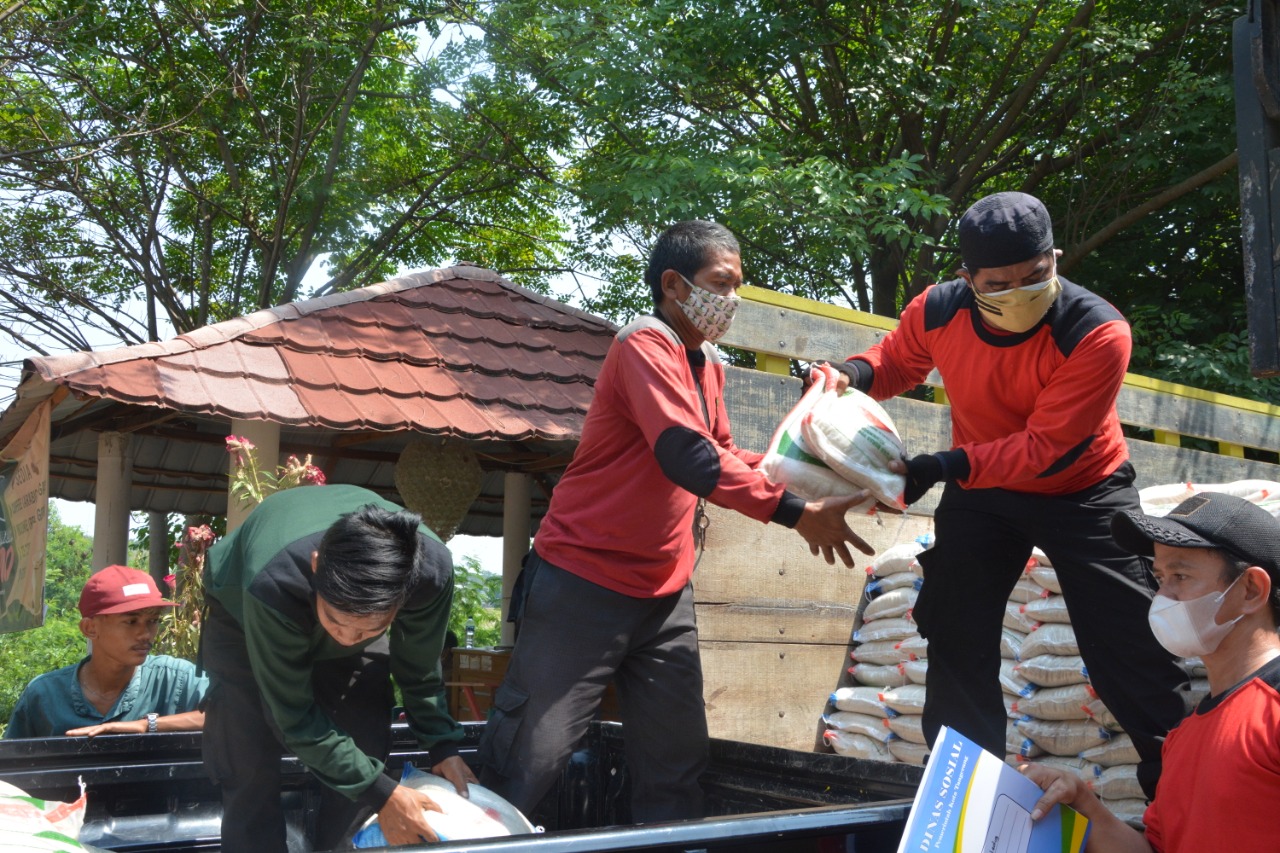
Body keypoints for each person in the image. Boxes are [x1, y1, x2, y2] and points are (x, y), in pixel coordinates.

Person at [477, 220, 876, 822]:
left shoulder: (707, 363)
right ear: (674, 284)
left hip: (664, 593)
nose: (733, 300)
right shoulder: (644, 344)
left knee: (677, 765)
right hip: (583, 581)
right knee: (530, 757)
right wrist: (796, 513)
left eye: (740, 285)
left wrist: (816, 470)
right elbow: (685, 457)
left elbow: (721, 451)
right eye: (722, 283)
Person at [828, 192, 1189, 796]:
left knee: (1131, 650)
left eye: (1035, 276)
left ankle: (1186, 803)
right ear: (967, 278)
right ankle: (967, 802)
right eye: (999, 284)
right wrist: (854, 374)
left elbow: (1046, 446)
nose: (1019, 292)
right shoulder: (938, 310)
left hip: (1083, 489)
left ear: (1055, 258)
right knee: (955, 634)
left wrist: (940, 465)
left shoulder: (1097, 331)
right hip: (982, 493)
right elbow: (898, 361)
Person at [200, 484, 475, 852]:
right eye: (336, 621)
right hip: (243, 615)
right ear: (316, 565)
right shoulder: (272, 582)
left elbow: (419, 668)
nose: (346, 638)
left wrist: (443, 747)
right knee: (247, 756)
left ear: (403, 598)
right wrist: (380, 792)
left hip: (342, 596)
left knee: (365, 735)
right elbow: (293, 718)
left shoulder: (430, 574)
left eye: (366, 629)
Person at [1021, 491, 1280, 851]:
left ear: (1251, 590)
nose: (1163, 596)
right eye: (1160, 577)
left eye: (1180, 575)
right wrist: (1084, 804)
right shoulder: (1184, 737)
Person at [4, 564, 206, 739]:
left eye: (153, 621)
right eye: (131, 621)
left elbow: (230, 715)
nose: (145, 634)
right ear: (89, 628)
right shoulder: (44, 695)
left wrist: (148, 725)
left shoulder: (177, 679)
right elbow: (11, 769)